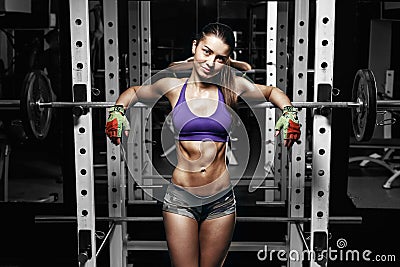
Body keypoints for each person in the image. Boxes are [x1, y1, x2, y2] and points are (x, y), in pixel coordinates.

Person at [105, 22, 300, 267]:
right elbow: (134, 92)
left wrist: (290, 113)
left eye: (220, 58)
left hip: (221, 201)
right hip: (181, 199)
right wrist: (116, 111)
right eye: (206, 52)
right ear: (195, 47)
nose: (210, 63)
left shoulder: (232, 87)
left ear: (227, 60)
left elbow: (272, 92)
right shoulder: (174, 87)